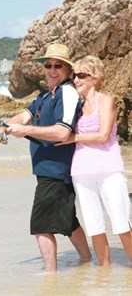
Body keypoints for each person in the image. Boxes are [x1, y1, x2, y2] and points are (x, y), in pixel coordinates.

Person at [0, 44, 92, 273]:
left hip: (57, 169)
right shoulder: (45, 95)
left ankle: (50, 276)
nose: (52, 70)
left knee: (41, 226)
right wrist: (0, 132)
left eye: (58, 66)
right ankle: (87, 262)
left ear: (67, 69)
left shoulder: (67, 92)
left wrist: (26, 131)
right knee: (68, 221)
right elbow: (23, 116)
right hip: (46, 169)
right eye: (48, 65)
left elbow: (62, 132)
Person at [59, 55, 132, 267]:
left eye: (82, 75)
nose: (76, 80)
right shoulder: (75, 108)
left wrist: (75, 138)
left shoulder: (107, 101)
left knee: (121, 223)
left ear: (95, 78)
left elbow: (103, 135)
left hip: (109, 169)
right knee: (94, 225)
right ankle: (104, 274)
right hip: (81, 172)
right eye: (75, 76)